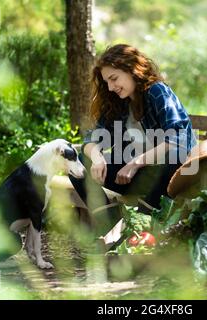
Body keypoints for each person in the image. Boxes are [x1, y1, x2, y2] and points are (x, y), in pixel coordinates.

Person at [69, 44, 196, 239]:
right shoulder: (117, 103)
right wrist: (97, 158)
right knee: (78, 164)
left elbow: (178, 139)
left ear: (131, 69)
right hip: (133, 176)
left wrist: (135, 163)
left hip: (170, 176)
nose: (111, 87)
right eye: (107, 82)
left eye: (114, 79)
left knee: (172, 158)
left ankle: (140, 227)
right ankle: (110, 224)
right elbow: (92, 139)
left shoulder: (157, 92)